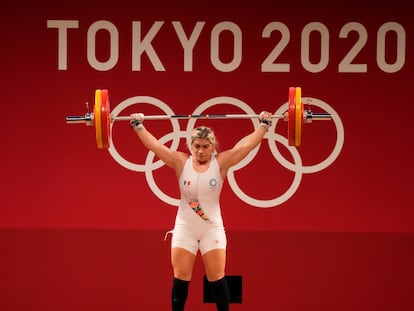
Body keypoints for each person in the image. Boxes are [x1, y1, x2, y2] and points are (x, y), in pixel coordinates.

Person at [130, 111, 273, 311]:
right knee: (181, 278)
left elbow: (246, 146)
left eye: (205, 147)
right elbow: (155, 146)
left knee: (216, 278)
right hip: (185, 228)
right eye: (196, 146)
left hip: (211, 229)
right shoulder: (181, 161)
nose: (200, 151)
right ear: (191, 146)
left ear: (212, 147)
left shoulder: (221, 163)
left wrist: (264, 126)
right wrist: (138, 126)